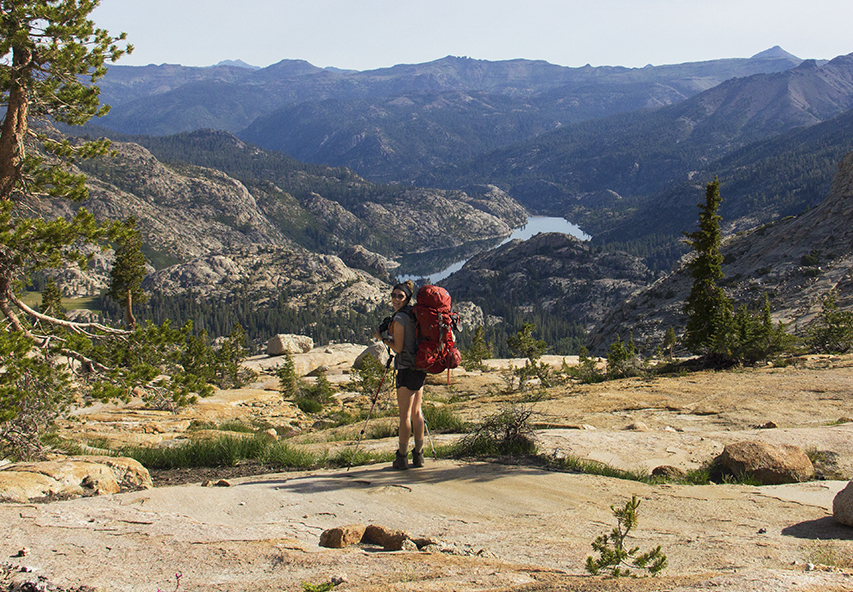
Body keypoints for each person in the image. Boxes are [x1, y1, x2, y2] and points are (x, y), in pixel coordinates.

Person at [374, 280, 426, 470]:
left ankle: (402, 457)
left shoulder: (400, 319)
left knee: (405, 415)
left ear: (407, 297)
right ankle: (419, 455)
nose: (396, 299)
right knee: (417, 412)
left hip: (405, 368)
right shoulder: (415, 314)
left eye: (400, 296)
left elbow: (397, 347)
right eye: (394, 295)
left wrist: (382, 338)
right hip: (420, 367)